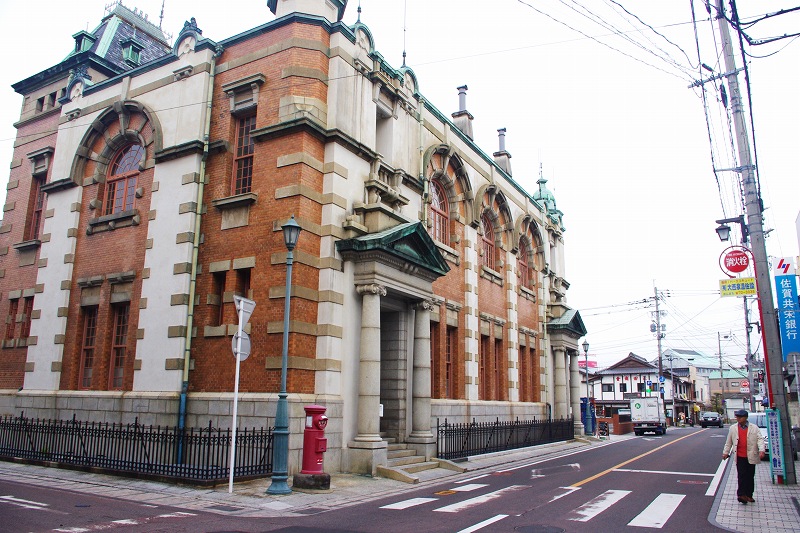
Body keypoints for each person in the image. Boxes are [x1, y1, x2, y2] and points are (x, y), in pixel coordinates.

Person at [722, 409, 766, 504]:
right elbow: (729, 441)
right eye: (737, 417)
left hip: (751, 455)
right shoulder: (733, 428)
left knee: (750, 476)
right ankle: (741, 495)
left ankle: (749, 495)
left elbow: (760, 439)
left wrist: (762, 450)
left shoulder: (754, 427)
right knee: (741, 475)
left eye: (740, 417)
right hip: (740, 455)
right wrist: (726, 452)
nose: (738, 419)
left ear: (745, 418)